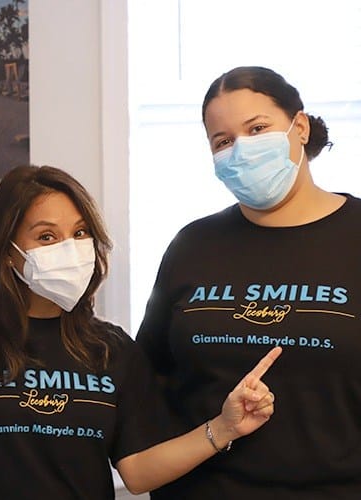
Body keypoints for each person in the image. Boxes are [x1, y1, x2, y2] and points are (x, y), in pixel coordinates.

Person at [0, 165, 279, 499]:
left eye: (80, 233)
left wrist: (223, 428)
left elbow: (136, 471)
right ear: (9, 253)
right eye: (47, 236)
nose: (70, 247)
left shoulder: (112, 349)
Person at [136, 65, 358, 499]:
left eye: (257, 128)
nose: (241, 149)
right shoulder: (192, 246)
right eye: (223, 141)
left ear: (299, 127)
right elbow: (147, 383)